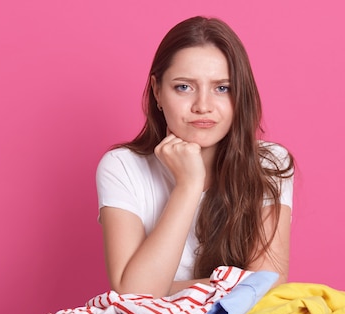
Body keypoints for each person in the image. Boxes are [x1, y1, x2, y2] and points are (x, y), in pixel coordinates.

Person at [97, 16, 294, 297]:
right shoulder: (122, 166)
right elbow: (134, 295)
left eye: (222, 88)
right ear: (157, 91)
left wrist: (165, 289)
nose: (203, 106)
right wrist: (188, 185)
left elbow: (266, 286)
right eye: (184, 87)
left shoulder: (270, 165)